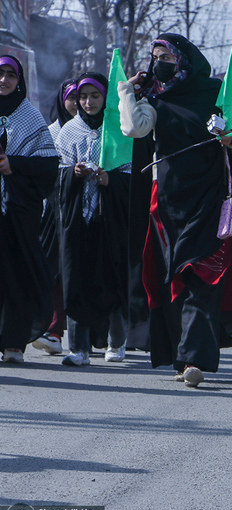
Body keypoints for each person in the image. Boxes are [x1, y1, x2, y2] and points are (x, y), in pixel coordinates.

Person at [119, 34, 232, 386]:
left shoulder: (216, 94)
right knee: (173, 277)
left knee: (203, 274)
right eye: (155, 56)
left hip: (210, 199)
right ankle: (182, 356)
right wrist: (126, 92)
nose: (159, 61)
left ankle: (194, 358)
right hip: (166, 202)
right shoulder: (155, 98)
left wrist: (231, 139)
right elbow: (134, 128)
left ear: (185, 59)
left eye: (166, 55)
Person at [55, 73, 130, 366]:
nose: (87, 102)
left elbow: (133, 174)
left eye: (95, 96)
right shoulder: (68, 131)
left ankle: (117, 341)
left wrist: (111, 179)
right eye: (83, 96)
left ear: (105, 97)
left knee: (113, 276)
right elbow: (57, 173)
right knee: (76, 280)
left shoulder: (119, 129)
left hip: (110, 220)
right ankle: (79, 348)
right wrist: (72, 174)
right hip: (78, 220)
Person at [0, 55, 60, 363]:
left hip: (17, 211)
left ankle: (13, 343)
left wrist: (14, 165)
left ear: (20, 80)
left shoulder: (30, 116)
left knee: (17, 275)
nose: (4, 80)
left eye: (11, 74)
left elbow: (49, 165)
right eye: (0, 73)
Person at [32, 78, 79, 356]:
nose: (78, 103)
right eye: (73, 97)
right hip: (53, 212)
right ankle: (53, 330)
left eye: (86, 96)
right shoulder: (50, 132)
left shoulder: (104, 131)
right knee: (53, 272)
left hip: (89, 214)